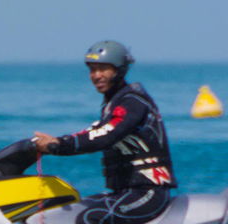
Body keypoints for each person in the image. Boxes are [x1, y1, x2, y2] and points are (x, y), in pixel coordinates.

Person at [32, 40, 178, 224]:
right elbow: (94, 132)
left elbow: (106, 135)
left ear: (119, 70)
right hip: (124, 192)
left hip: (147, 193)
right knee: (67, 209)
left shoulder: (132, 102)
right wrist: (53, 142)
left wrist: (59, 146)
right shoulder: (114, 103)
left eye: (103, 69)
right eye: (92, 70)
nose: (96, 75)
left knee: (89, 217)